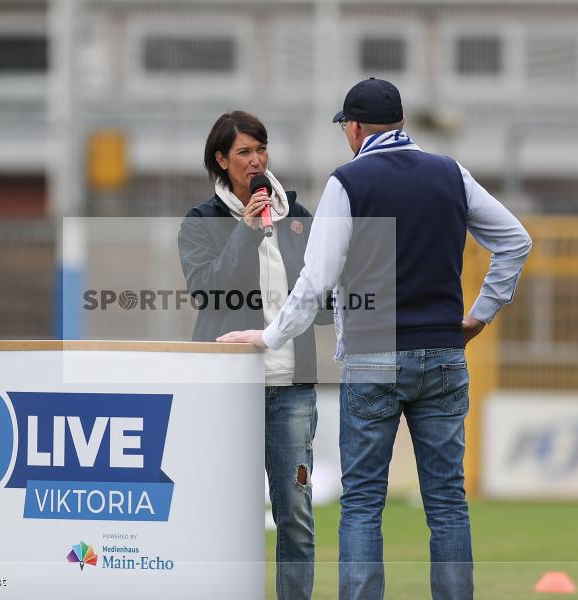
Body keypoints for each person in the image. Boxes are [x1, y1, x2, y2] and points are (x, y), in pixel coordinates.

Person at [217, 79, 532, 600]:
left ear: (356, 128)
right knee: (448, 503)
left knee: (363, 503)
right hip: (445, 354)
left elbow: (315, 281)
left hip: (373, 357)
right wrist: (479, 315)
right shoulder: (451, 173)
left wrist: (271, 335)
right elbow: (514, 241)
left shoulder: (349, 182)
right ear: (402, 123)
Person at [177, 111, 332, 600]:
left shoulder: (300, 219)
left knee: (296, 514)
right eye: (243, 152)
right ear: (221, 160)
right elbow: (209, 292)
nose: (256, 160)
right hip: (229, 389)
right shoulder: (201, 222)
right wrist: (245, 230)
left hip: (292, 389)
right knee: (228, 511)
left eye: (261, 149)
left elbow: (321, 307)